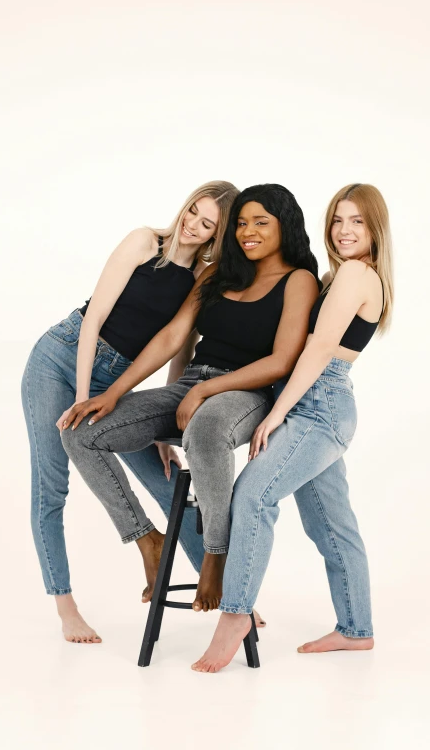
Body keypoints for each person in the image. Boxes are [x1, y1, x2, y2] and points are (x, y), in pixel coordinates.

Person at [61, 183, 321, 616]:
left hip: (245, 392)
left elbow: (281, 361)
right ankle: (147, 539)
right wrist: (113, 393)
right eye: (240, 223)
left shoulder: (299, 280)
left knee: (207, 429)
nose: (247, 231)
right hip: (191, 386)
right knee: (83, 432)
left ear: (285, 226)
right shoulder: (217, 273)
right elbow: (173, 336)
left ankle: (215, 554)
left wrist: (204, 390)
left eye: (260, 222)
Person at [21, 180, 239, 644]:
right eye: (193, 211)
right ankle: (66, 607)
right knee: (51, 489)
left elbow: (178, 346)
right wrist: (83, 396)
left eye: (207, 224)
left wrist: (161, 431)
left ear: (216, 237)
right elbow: (94, 318)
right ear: (185, 205)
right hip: (62, 359)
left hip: (118, 386)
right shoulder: (146, 241)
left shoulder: (200, 277)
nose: (193, 225)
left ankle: (228, 595)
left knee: (166, 480)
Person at [192, 183, 394, 673]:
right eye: (338, 221)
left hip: (317, 406)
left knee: (253, 496)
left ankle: (235, 615)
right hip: (318, 401)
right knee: (331, 522)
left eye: (357, 222)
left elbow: (319, 349)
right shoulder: (341, 276)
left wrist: (277, 413)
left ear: (375, 229)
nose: (345, 231)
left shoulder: (353, 275)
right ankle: (356, 629)